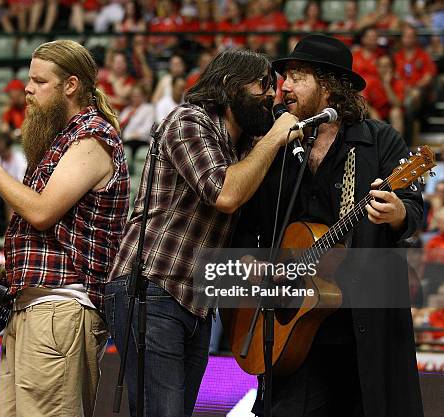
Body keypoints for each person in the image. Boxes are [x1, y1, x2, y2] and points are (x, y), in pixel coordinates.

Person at [235, 34, 423, 417]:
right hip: (291, 326)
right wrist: (249, 261)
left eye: (297, 76)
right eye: (284, 77)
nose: (284, 86)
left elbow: (413, 208)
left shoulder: (379, 140)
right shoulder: (275, 144)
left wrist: (397, 213)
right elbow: (246, 222)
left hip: (362, 324)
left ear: (329, 85)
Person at [105, 48, 301, 417]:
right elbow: (225, 193)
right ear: (229, 86)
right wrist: (275, 139)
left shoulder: (245, 145)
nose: (272, 96)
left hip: (195, 301)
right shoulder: (188, 122)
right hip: (151, 287)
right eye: (262, 85)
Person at [0, 39, 130, 417]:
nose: (27, 89)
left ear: (71, 85)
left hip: (61, 309)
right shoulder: (59, 139)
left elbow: (43, 212)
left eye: (38, 81)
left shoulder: (91, 138)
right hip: (31, 307)